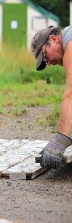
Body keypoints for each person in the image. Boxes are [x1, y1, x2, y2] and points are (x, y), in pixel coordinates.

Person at [31, 25, 72, 168]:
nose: (48, 63)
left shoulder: (69, 39)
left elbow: (70, 94)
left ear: (54, 39)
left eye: (45, 56)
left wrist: (59, 143)